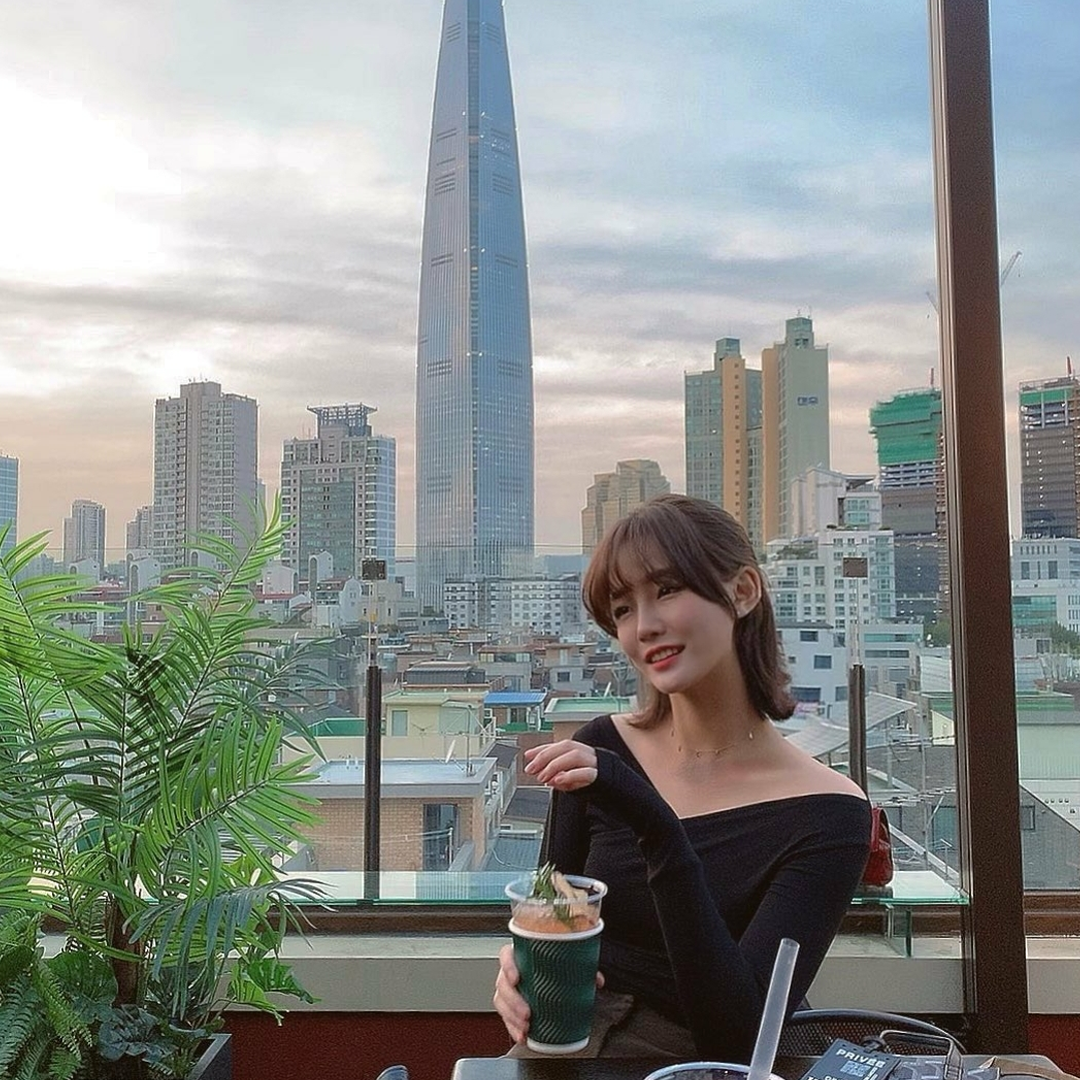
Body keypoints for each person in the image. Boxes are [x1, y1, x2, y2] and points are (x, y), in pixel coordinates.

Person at [493, 494, 871, 1060]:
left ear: (742, 592)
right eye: (622, 609)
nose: (644, 626)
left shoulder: (830, 812)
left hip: (699, 1063)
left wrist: (653, 820)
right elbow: (556, 912)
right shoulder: (600, 747)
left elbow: (739, 1032)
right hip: (570, 1045)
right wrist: (521, 966)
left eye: (667, 590)